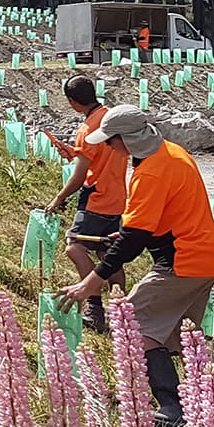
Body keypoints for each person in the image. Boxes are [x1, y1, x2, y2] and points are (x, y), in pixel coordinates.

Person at [54, 105, 214, 427]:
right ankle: (201, 408)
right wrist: (138, 232)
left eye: (111, 140)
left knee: (130, 324)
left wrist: (90, 283)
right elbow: (166, 212)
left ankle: (172, 409)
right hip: (205, 258)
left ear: (128, 139)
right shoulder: (171, 152)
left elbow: (132, 242)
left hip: (183, 262)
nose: (108, 146)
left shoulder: (152, 171)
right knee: (176, 336)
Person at [44, 75, 129, 332]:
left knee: (74, 247)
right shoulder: (111, 118)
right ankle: (121, 312)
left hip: (96, 199)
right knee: (108, 253)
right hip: (117, 197)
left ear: (72, 102)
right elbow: (97, 159)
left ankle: (94, 305)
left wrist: (59, 198)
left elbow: (81, 175)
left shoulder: (87, 129)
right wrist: (76, 153)